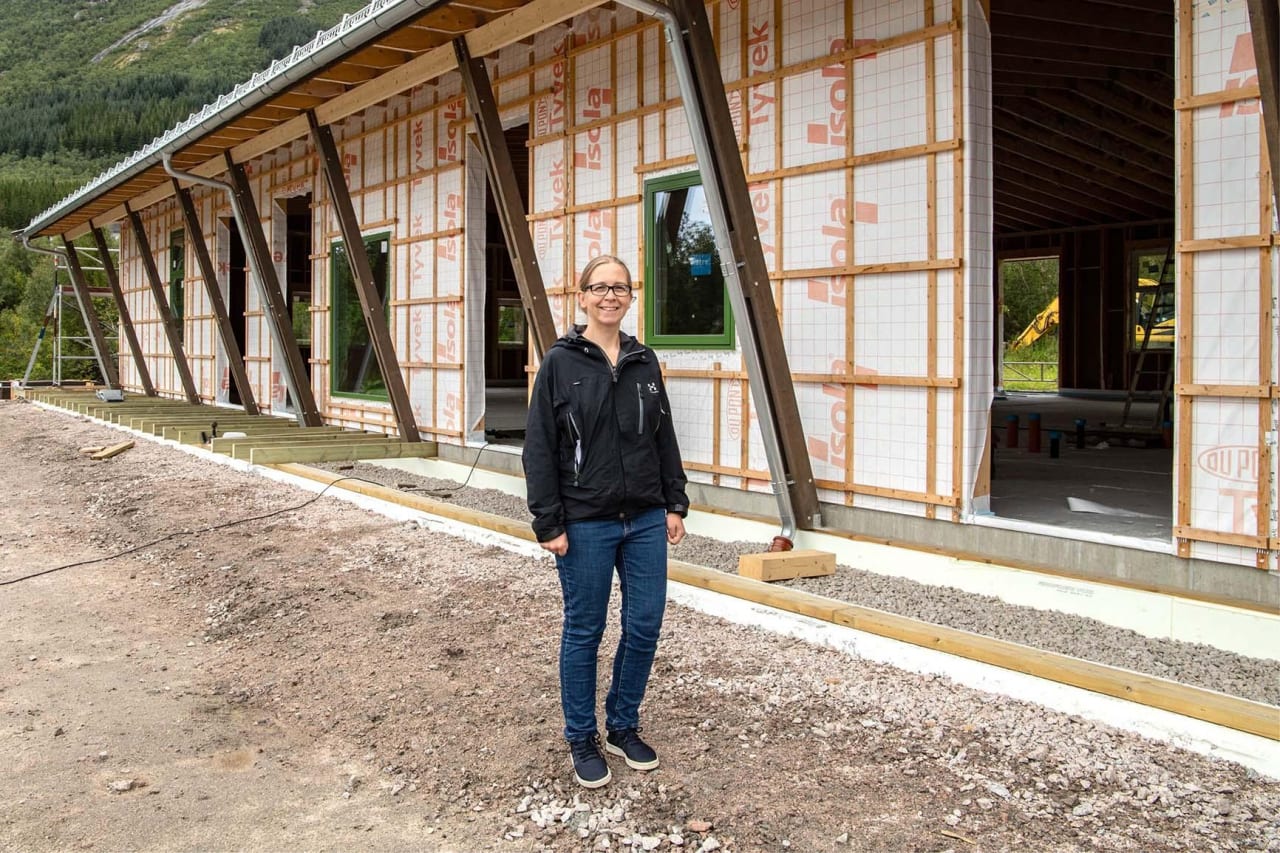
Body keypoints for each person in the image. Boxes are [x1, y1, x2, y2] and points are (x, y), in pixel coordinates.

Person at [523, 254, 688, 789]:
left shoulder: (644, 360)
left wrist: (674, 502)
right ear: (582, 297)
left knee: (644, 624)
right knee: (585, 629)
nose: (609, 296)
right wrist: (548, 522)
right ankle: (581, 736)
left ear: (630, 297)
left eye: (619, 288)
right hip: (585, 520)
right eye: (599, 287)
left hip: (644, 517)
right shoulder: (559, 363)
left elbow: (663, 436)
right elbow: (539, 448)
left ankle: (622, 725)